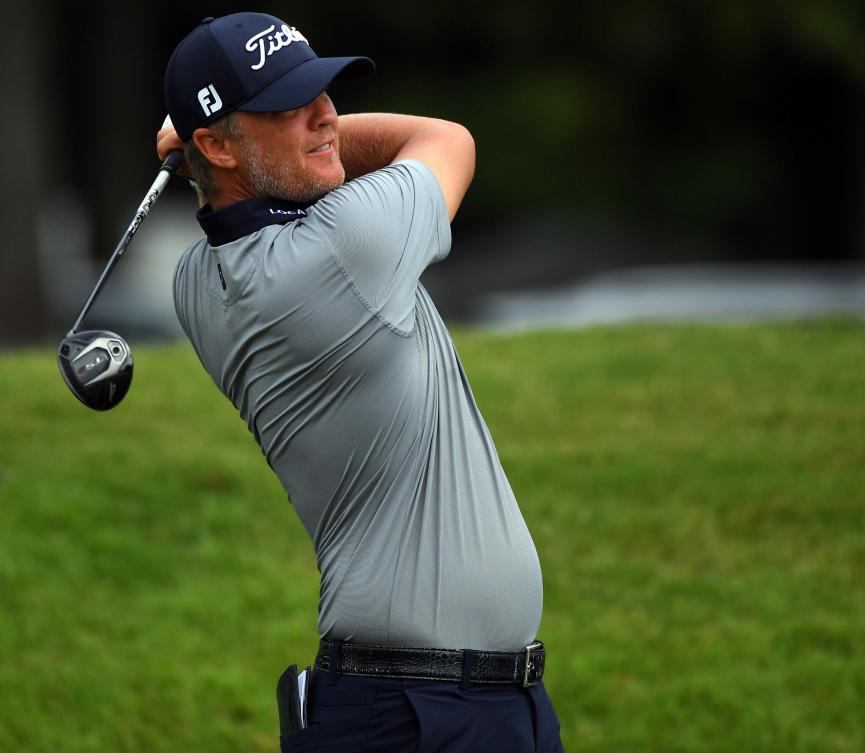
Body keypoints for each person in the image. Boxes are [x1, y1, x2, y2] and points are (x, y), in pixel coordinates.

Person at [159, 12, 563, 753]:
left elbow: (245, 196)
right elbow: (447, 140)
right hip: (419, 712)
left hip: (452, 702)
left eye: (324, 92)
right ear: (217, 145)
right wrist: (188, 144)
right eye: (289, 105)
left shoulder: (197, 284)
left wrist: (212, 145)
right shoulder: (346, 249)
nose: (327, 117)